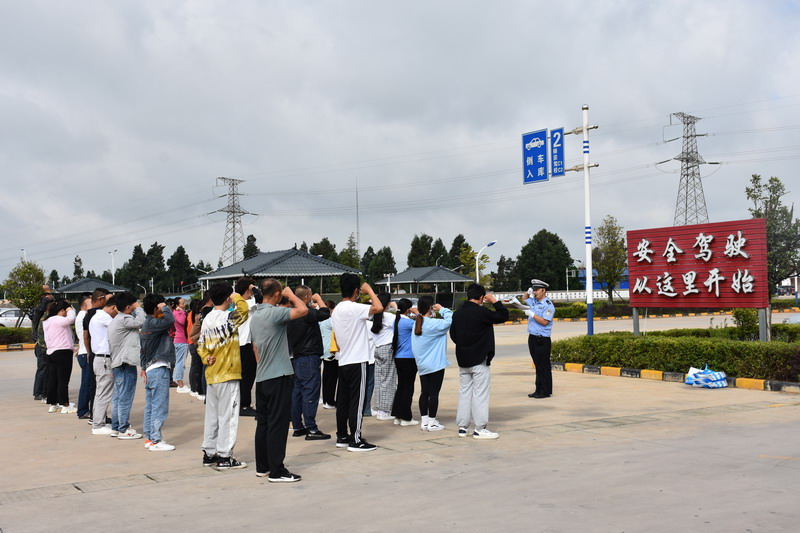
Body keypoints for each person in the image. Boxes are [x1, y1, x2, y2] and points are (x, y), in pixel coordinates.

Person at [250, 280, 308, 482]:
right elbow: (303, 310)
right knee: (278, 424)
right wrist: (291, 295)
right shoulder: (275, 313)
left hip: (263, 376)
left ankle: (263, 466)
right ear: (277, 294)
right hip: (279, 375)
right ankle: (277, 470)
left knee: (264, 424)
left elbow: (255, 348)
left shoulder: (255, 315)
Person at [197, 281, 251, 469]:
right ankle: (225, 456)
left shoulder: (207, 319)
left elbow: (200, 345)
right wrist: (237, 297)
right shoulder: (229, 318)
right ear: (228, 298)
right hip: (228, 373)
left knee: (212, 416)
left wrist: (206, 358)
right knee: (228, 417)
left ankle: (209, 453)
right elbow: (244, 310)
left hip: (212, 374)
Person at [331, 273, 383, 452]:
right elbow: (378, 307)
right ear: (356, 291)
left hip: (343, 360)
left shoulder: (337, 309)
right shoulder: (354, 308)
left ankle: (342, 436)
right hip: (357, 360)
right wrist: (370, 290)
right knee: (357, 401)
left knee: (343, 402)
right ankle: (355, 439)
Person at [450, 283, 508, 439]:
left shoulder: (457, 314)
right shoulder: (482, 312)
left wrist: (465, 345)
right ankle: (480, 428)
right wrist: (494, 301)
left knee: (464, 393)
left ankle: (462, 427)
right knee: (480, 394)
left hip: (463, 359)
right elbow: (503, 316)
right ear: (482, 297)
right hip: (479, 359)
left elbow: (453, 335)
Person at [286, 285, 331, 440]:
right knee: (310, 391)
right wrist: (319, 299)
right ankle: (311, 428)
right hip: (309, 356)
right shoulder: (305, 312)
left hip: (297, 356)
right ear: (306, 297)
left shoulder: (291, 313)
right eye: (310, 296)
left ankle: (298, 426)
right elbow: (325, 313)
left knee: (297, 392)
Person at [140, 294, 176, 451]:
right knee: (159, 406)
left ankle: (149, 438)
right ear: (156, 308)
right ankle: (156, 440)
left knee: (151, 406)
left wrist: (143, 367)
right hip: (158, 368)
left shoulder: (146, 324)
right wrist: (165, 307)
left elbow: (142, 350)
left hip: (150, 368)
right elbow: (170, 320)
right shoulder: (155, 323)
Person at [411, 296, 452, 432]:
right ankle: (432, 422)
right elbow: (451, 320)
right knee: (434, 394)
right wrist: (442, 309)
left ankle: (425, 421)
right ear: (430, 308)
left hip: (422, 364)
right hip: (435, 364)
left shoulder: (418, 323)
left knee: (425, 392)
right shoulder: (433, 324)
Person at [108, 292, 145, 440]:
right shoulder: (124, 319)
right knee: (125, 397)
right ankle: (123, 428)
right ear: (128, 307)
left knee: (118, 397)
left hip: (118, 363)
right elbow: (142, 321)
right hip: (125, 363)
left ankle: (116, 427)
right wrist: (138, 307)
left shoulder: (116, 320)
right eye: (133, 306)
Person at [89, 296, 118, 435]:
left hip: (100, 359)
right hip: (105, 359)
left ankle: (98, 421)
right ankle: (98, 425)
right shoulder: (104, 318)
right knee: (104, 393)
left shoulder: (97, 316)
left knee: (100, 392)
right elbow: (121, 327)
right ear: (113, 307)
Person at [41, 299, 76, 413]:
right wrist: (70, 309)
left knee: (53, 379)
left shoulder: (47, 321)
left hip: (51, 352)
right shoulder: (59, 319)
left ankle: (53, 404)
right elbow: (71, 319)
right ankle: (65, 405)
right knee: (63, 380)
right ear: (61, 310)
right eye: (65, 311)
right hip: (63, 352)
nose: (67, 313)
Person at [82, 288, 112, 423]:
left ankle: (96, 415)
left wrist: (90, 352)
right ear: (101, 299)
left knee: (96, 386)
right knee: (101, 388)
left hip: (94, 353)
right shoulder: (101, 315)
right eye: (109, 300)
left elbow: (86, 336)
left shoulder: (88, 315)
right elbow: (86, 336)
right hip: (100, 354)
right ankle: (97, 417)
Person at [525, 279, 555, 399]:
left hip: (542, 339)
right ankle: (538, 389)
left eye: (537, 290)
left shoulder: (548, 305)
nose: (535, 292)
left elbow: (544, 321)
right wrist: (528, 292)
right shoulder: (534, 301)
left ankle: (545, 391)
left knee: (544, 366)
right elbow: (524, 298)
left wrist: (532, 314)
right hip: (532, 337)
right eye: (534, 290)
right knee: (537, 365)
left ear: (543, 290)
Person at [390, 298, 418, 426]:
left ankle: (397, 415)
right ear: (408, 309)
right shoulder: (408, 322)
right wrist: (417, 313)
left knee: (401, 386)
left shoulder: (396, 321)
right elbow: (423, 326)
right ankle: (406, 417)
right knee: (408, 388)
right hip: (409, 358)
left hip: (398, 357)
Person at [370, 293, 398, 421]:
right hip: (387, 349)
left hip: (377, 349)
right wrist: (396, 308)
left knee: (379, 380)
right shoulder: (389, 317)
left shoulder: (374, 316)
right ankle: (385, 410)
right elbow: (402, 320)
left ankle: (379, 407)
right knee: (388, 380)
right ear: (387, 305)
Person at [235, 277, 258, 417]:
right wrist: (252, 287)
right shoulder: (247, 303)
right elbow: (261, 296)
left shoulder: (241, 303)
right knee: (247, 377)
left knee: (244, 377)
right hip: (244, 344)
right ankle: (244, 405)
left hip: (242, 344)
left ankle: (241, 404)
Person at [31, 289, 55, 401]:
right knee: (42, 368)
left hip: (43, 344)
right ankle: (38, 392)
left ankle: (44, 390)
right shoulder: (40, 313)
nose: (51, 295)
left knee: (46, 369)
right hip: (41, 345)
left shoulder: (43, 314)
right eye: (48, 294)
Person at [74, 293, 93, 420]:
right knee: (87, 384)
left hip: (83, 352)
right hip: (85, 353)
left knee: (88, 383)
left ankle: (84, 409)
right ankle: (82, 410)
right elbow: (86, 336)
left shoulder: (82, 316)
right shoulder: (83, 316)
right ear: (85, 304)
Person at [317, 300, 338, 410]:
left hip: (323, 349)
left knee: (326, 377)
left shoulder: (319, 320)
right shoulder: (329, 321)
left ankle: (326, 399)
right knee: (331, 378)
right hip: (331, 351)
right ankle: (329, 401)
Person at [172, 297, 191, 394]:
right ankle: (180, 385)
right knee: (181, 363)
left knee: (179, 362)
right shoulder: (178, 313)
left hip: (179, 340)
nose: (184, 305)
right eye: (182, 303)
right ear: (177, 305)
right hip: (181, 340)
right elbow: (183, 321)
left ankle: (178, 380)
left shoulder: (176, 312)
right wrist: (182, 312)